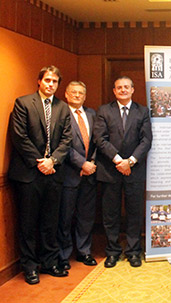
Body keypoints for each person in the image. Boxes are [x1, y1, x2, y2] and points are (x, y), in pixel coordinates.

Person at [8, 65, 72, 284]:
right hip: (28, 174)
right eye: (47, 80)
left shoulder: (63, 108)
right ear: (39, 81)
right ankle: (30, 266)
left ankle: (49, 262)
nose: (50, 84)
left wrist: (52, 161)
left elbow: (67, 139)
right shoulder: (23, 103)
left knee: (50, 222)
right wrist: (40, 162)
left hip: (54, 173)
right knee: (28, 223)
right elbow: (19, 137)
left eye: (54, 81)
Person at [94, 76, 153, 268]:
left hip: (134, 171)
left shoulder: (142, 111)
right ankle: (112, 251)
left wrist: (131, 161)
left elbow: (146, 140)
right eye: (119, 87)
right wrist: (119, 160)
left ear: (133, 90)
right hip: (110, 170)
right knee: (110, 214)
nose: (123, 90)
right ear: (114, 91)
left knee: (134, 213)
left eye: (126, 87)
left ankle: (134, 251)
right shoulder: (104, 110)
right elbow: (100, 139)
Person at [57, 81, 97, 270]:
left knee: (86, 216)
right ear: (66, 94)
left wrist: (92, 163)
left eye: (81, 92)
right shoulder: (60, 114)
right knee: (64, 217)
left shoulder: (92, 114)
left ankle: (84, 251)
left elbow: (98, 141)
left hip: (90, 175)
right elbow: (63, 145)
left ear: (85, 95)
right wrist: (82, 164)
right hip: (68, 174)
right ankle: (63, 255)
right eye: (73, 92)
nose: (77, 95)